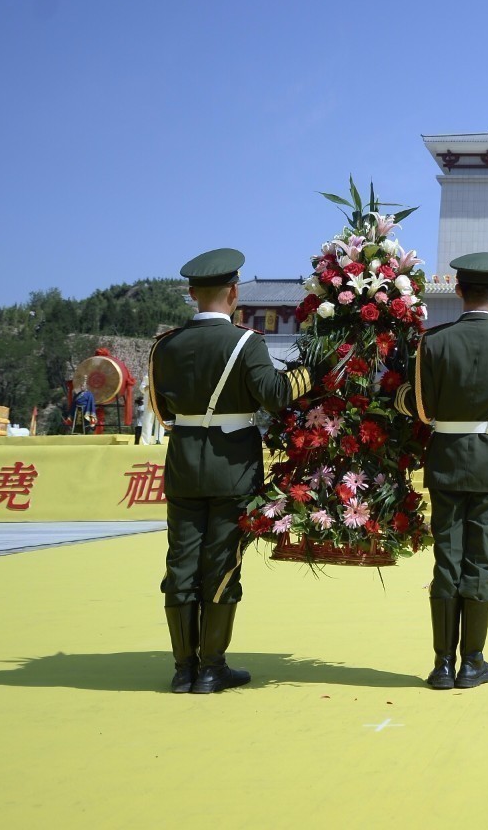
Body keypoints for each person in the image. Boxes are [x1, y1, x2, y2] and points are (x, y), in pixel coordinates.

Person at [149, 248, 312, 695]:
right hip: (233, 467)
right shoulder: (246, 343)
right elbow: (274, 395)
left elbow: (162, 410)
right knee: (223, 562)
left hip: (184, 462)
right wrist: (308, 374)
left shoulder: (166, 345)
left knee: (181, 561)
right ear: (234, 293)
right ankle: (211, 668)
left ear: (191, 294)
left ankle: (183, 669)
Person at [391, 252, 488, 690]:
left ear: (457, 291)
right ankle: (472, 662)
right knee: (481, 562)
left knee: (447, 559)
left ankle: (442, 666)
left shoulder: (433, 343)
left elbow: (422, 408)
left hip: (448, 459)